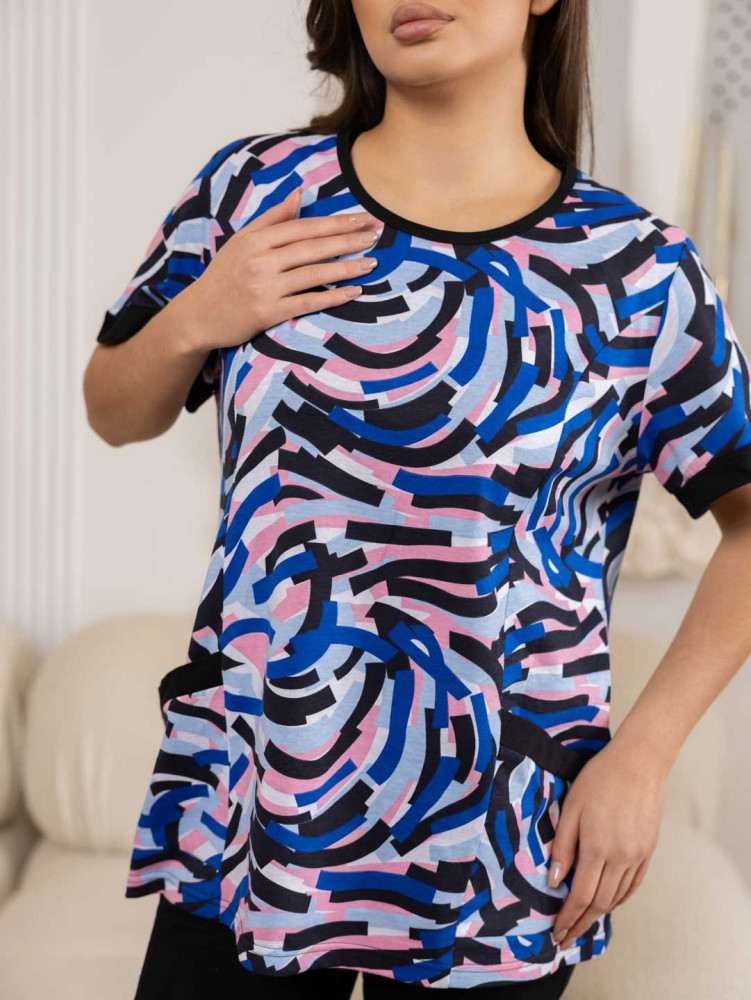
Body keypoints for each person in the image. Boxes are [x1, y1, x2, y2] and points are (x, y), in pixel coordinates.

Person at [83, 0, 751, 997]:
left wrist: (644, 757)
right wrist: (201, 314)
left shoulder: (636, 270)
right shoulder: (256, 192)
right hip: (255, 802)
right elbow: (111, 409)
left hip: (498, 834)